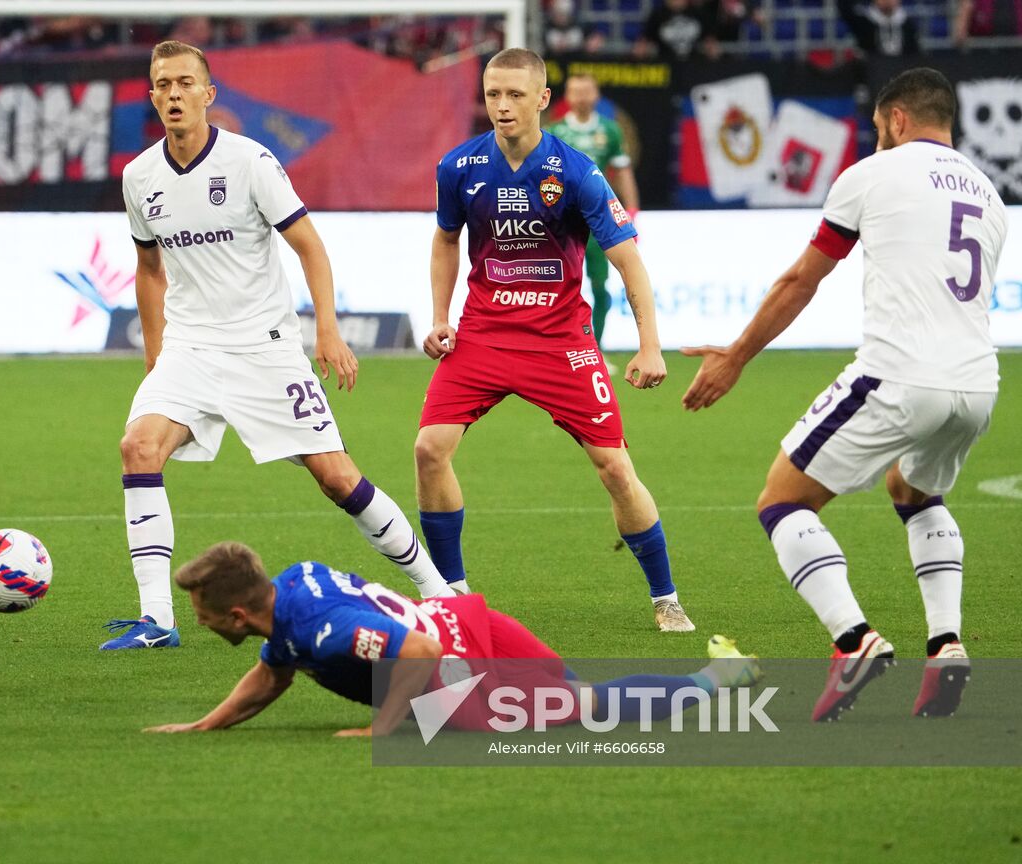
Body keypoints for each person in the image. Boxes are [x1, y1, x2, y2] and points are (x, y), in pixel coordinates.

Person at [105, 40, 453, 652]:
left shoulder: (250, 162)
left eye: (186, 82)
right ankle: (157, 619)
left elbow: (309, 245)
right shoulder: (140, 176)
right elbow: (148, 268)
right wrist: (155, 353)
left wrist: (325, 328)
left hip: (264, 348)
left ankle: (438, 593)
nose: (174, 94)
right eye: (163, 84)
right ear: (153, 95)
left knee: (336, 477)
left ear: (209, 94)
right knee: (138, 446)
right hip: (190, 348)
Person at [682, 68, 1005, 721]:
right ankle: (945, 643)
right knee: (912, 491)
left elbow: (805, 278)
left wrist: (736, 356)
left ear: (895, 119)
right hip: (977, 385)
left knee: (783, 500)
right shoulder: (988, 192)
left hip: (897, 373)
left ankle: (854, 640)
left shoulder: (872, 173)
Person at [414, 48, 695, 633]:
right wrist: (440, 316)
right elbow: (445, 240)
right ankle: (451, 595)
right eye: (493, 94)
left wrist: (650, 345)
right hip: (484, 336)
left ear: (543, 100)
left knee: (615, 468)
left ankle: (665, 597)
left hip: (559, 341)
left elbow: (628, 260)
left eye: (516, 94)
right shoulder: (458, 167)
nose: (502, 105)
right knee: (428, 449)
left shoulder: (576, 171)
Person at [142, 543, 759, 736]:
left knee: (586, 707)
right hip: (464, 618)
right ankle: (712, 678)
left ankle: (718, 680)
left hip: (455, 674)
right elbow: (271, 673)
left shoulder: (321, 631)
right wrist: (204, 726)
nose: (199, 620)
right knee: (573, 695)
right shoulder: (291, 588)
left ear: (242, 611)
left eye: (203, 612)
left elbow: (419, 653)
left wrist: (383, 727)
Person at [545, 73, 641, 353]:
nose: (581, 97)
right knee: (561, 288)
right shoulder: (556, 131)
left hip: (598, 221)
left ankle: (595, 348)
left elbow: (622, 171)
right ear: (568, 97)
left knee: (600, 286)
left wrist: (631, 210)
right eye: (576, 91)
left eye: (586, 91)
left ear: (596, 95)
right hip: (564, 222)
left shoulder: (610, 130)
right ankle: (560, 348)